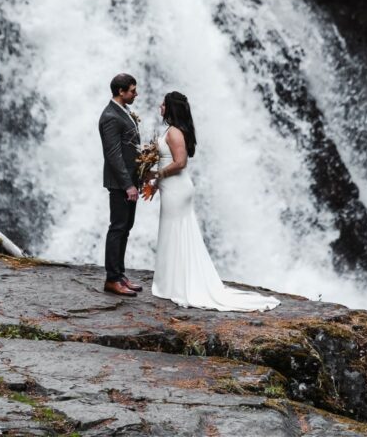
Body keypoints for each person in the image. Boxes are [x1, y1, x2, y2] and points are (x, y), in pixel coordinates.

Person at [149, 91, 280, 312]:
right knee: (174, 231)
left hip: (176, 188)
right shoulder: (174, 130)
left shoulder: (174, 133)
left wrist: (157, 175)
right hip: (172, 188)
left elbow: (180, 163)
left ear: (171, 108)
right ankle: (173, 281)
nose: (160, 107)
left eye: (163, 104)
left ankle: (179, 283)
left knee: (177, 230)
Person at [99, 72, 143, 296]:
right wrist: (128, 185)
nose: (136, 94)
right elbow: (114, 155)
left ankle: (120, 275)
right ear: (121, 92)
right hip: (120, 184)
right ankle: (112, 279)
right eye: (133, 90)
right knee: (117, 228)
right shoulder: (110, 116)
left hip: (129, 181)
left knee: (125, 228)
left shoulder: (122, 112)